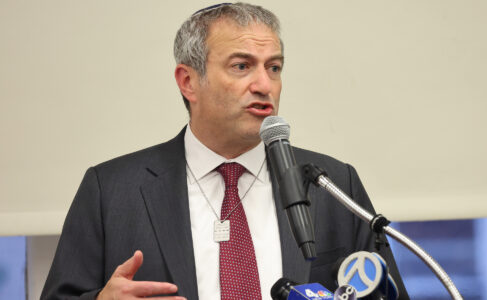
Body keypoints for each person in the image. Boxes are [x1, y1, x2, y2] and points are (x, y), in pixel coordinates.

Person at [41, 3, 409, 300]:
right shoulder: (111, 190)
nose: (265, 84)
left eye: (274, 67)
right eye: (241, 66)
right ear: (189, 82)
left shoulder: (331, 183)